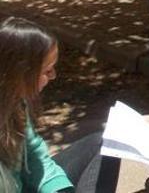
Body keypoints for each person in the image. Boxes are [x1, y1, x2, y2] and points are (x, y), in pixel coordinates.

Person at [0, 17, 120, 193]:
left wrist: (62, 190)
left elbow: (35, 156)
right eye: (47, 71)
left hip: (22, 186)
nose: (54, 76)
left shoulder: (17, 101)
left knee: (105, 143)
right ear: (20, 72)